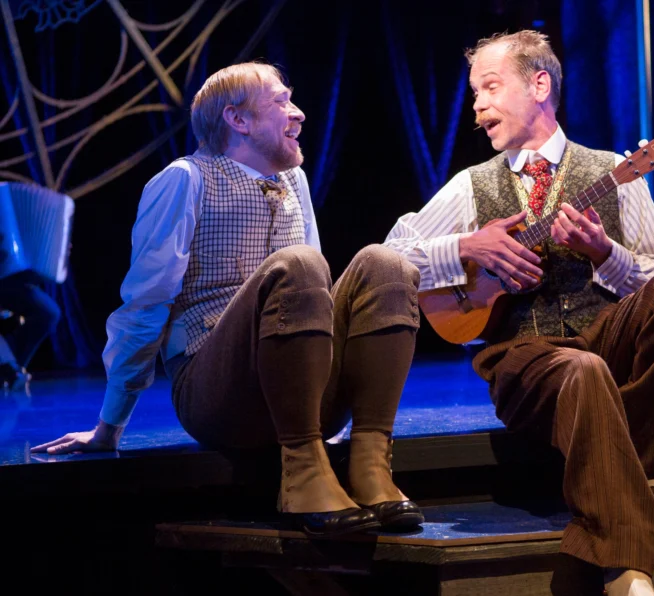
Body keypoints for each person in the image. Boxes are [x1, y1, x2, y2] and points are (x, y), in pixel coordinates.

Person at [384, 31, 654, 596]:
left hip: (600, 338)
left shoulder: (613, 172)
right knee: (576, 370)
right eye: (474, 91)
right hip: (524, 358)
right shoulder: (469, 186)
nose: (477, 106)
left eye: (490, 87)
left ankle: (637, 472)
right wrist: (465, 247)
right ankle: (627, 575)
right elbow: (388, 256)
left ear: (539, 86)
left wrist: (604, 253)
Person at [32, 62, 424, 534]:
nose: (297, 114)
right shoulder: (185, 180)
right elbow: (145, 304)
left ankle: (370, 463)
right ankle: (301, 473)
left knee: (388, 265)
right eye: (280, 102)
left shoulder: (295, 182)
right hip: (218, 393)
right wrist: (109, 427)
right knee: (299, 264)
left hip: (301, 391)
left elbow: (317, 295)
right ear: (238, 120)